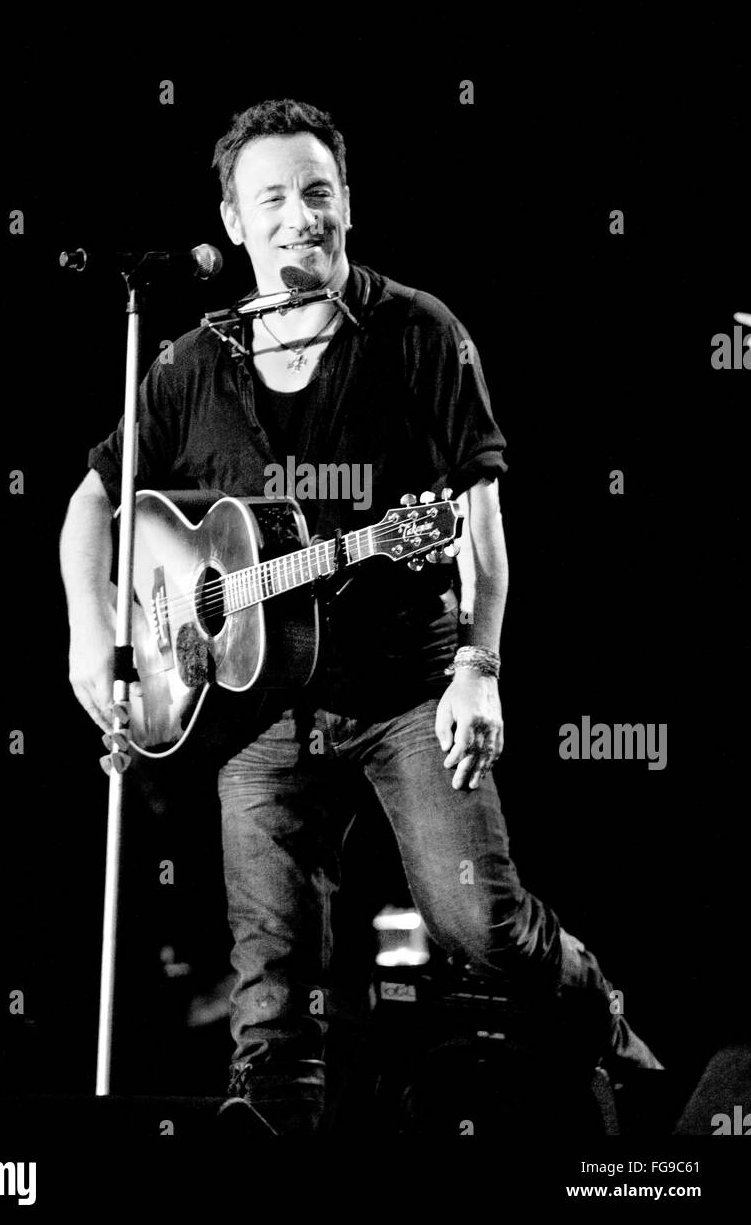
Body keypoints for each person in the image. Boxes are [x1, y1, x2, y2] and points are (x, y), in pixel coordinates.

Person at [59, 98, 662, 1133]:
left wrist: (479, 660)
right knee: (269, 992)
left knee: (477, 926)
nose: (301, 215)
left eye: (318, 191)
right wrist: (89, 631)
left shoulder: (418, 331)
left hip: (401, 687)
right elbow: (91, 502)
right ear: (233, 222)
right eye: (273, 198)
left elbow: (476, 514)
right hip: (252, 710)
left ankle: (590, 1002)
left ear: (348, 204)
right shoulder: (186, 363)